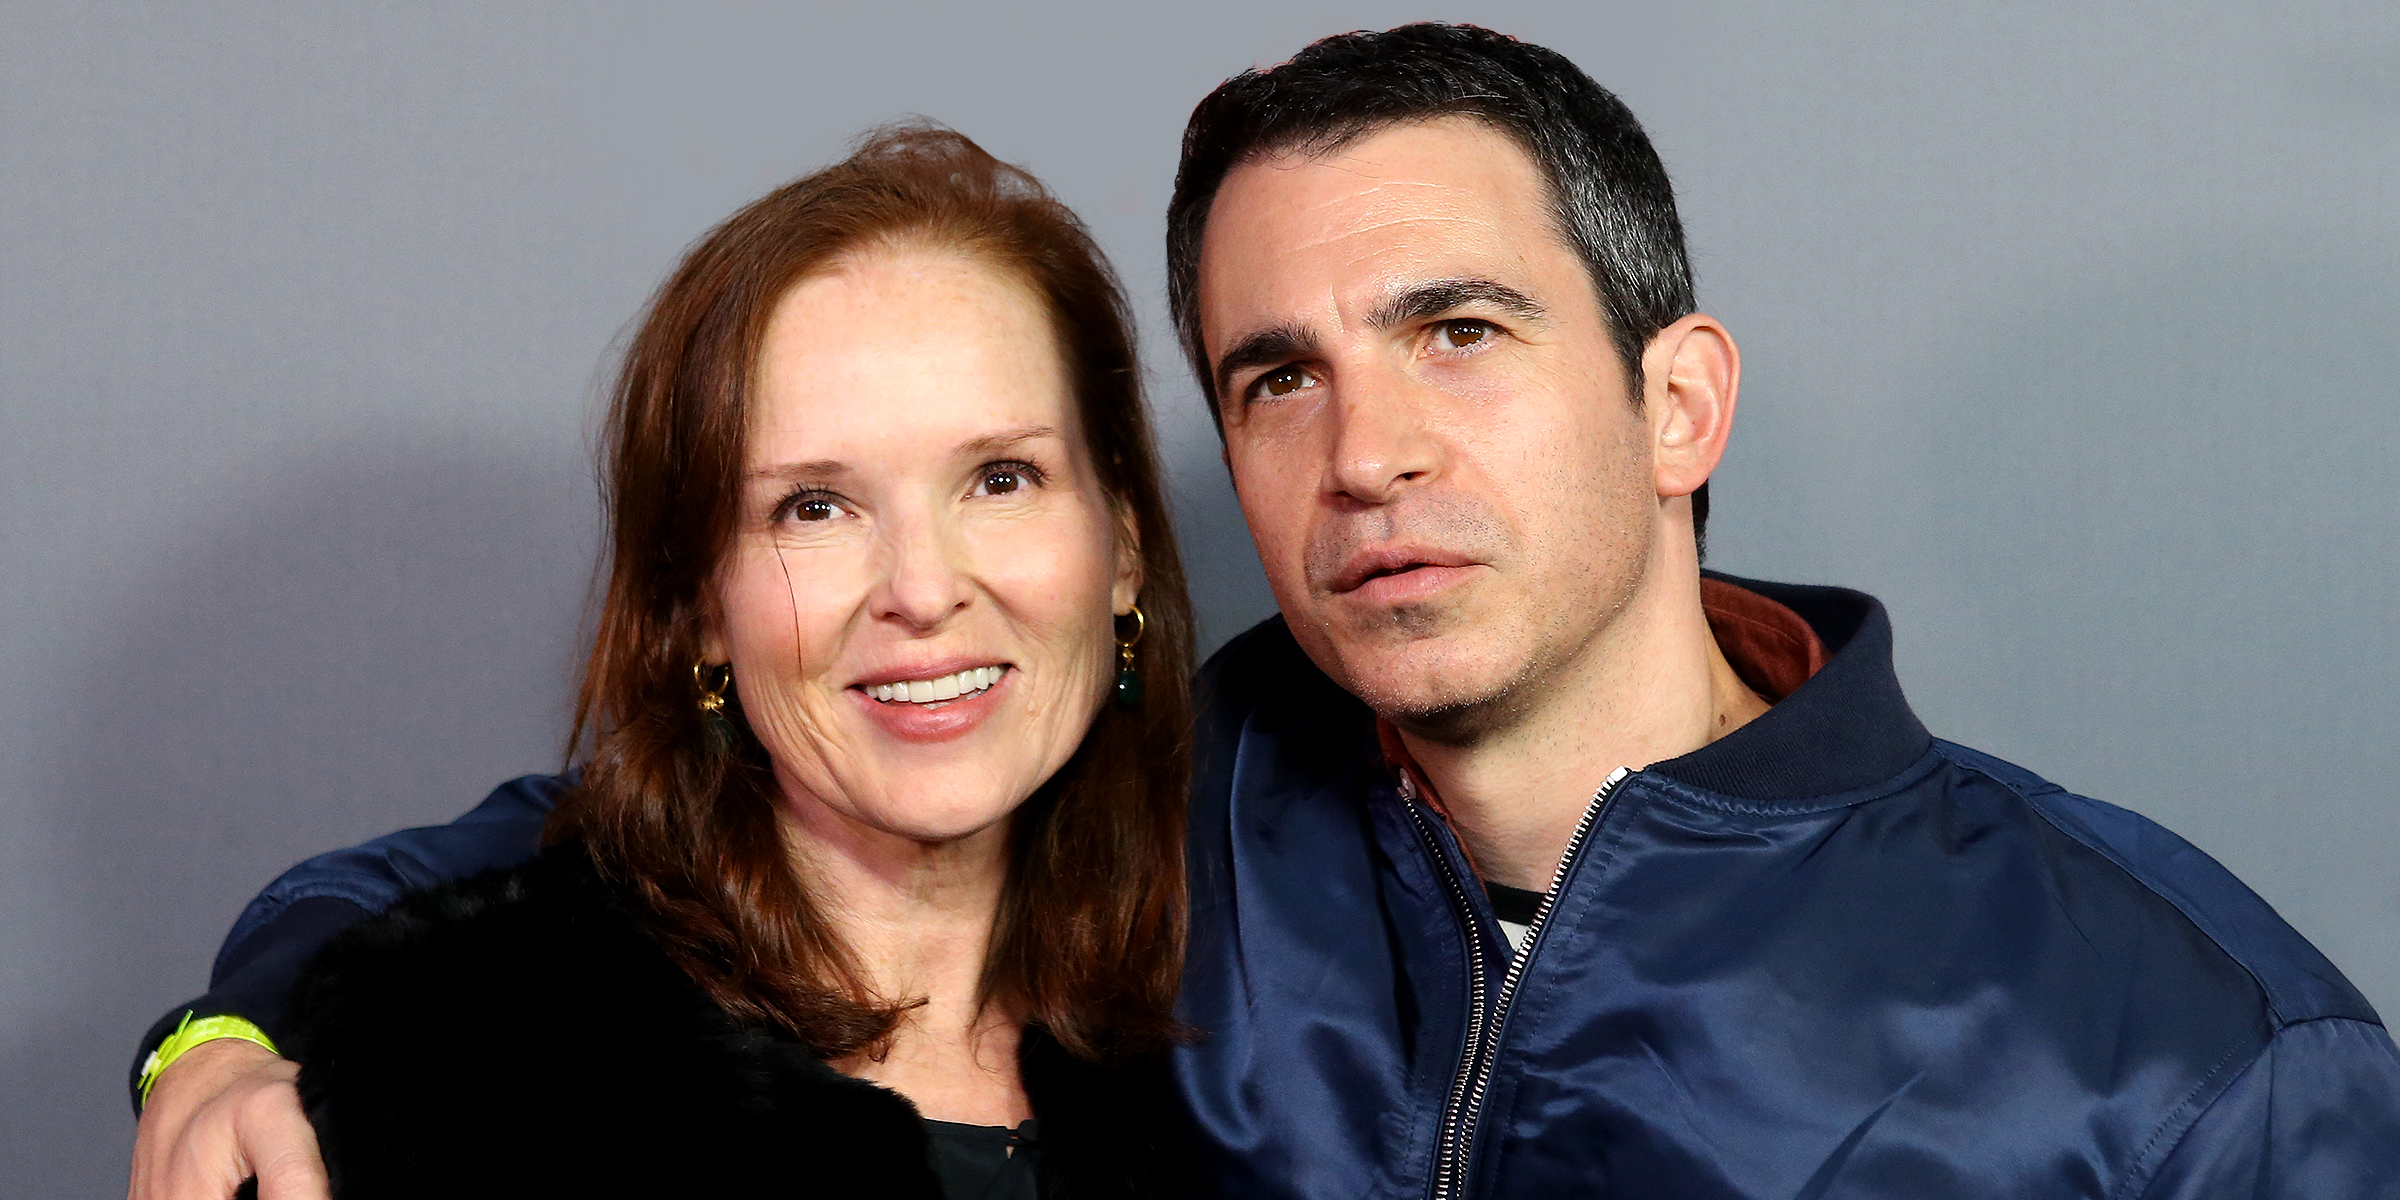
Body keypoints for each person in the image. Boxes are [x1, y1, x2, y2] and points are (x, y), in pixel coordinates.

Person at [130, 23, 2400, 1200]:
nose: (1366, 450)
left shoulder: (2185, 1047)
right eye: (1273, 376)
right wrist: (217, 1038)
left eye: (1458, 331)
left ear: (1676, 396)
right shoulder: (1123, 817)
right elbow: (555, 859)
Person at [125, 123, 1198, 1199]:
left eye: (1002, 478)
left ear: (1125, 542)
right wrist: (216, 1037)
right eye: (812, 507)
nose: (922, 589)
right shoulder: (462, 1087)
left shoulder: (1261, 1034)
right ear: (696, 610)